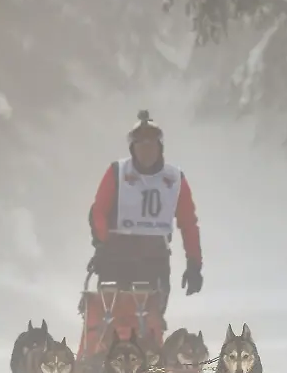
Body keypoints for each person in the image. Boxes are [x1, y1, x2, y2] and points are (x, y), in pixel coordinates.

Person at [86, 110, 203, 305]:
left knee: (150, 315)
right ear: (133, 148)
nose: (146, 150)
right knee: (112, 312)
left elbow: (188, 223)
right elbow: (98, 211)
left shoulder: (175, 179)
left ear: (159, 147)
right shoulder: (117, 172)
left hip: (154, 259)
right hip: (116, 256)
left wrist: (194, 264)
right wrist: (102, 245)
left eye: (151, 143)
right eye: (141, 144)